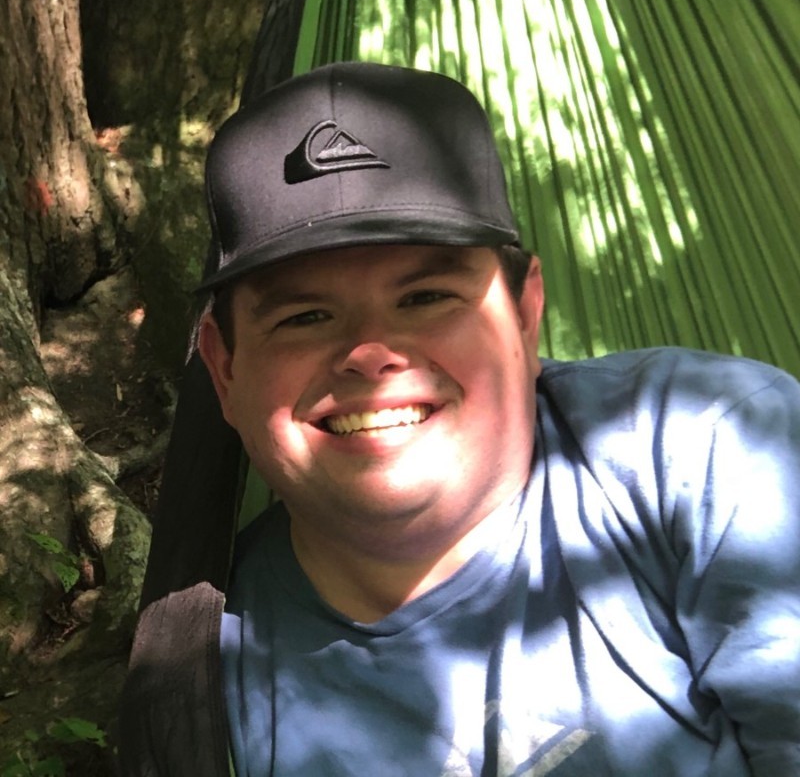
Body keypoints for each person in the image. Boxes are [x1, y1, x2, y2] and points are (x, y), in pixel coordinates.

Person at [119, 62, 800, 776]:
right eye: (305, 316)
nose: (370, 354)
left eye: (427, 297)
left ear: (527, 316)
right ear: (224, 370)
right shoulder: (196, 690)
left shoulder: (707, 447)